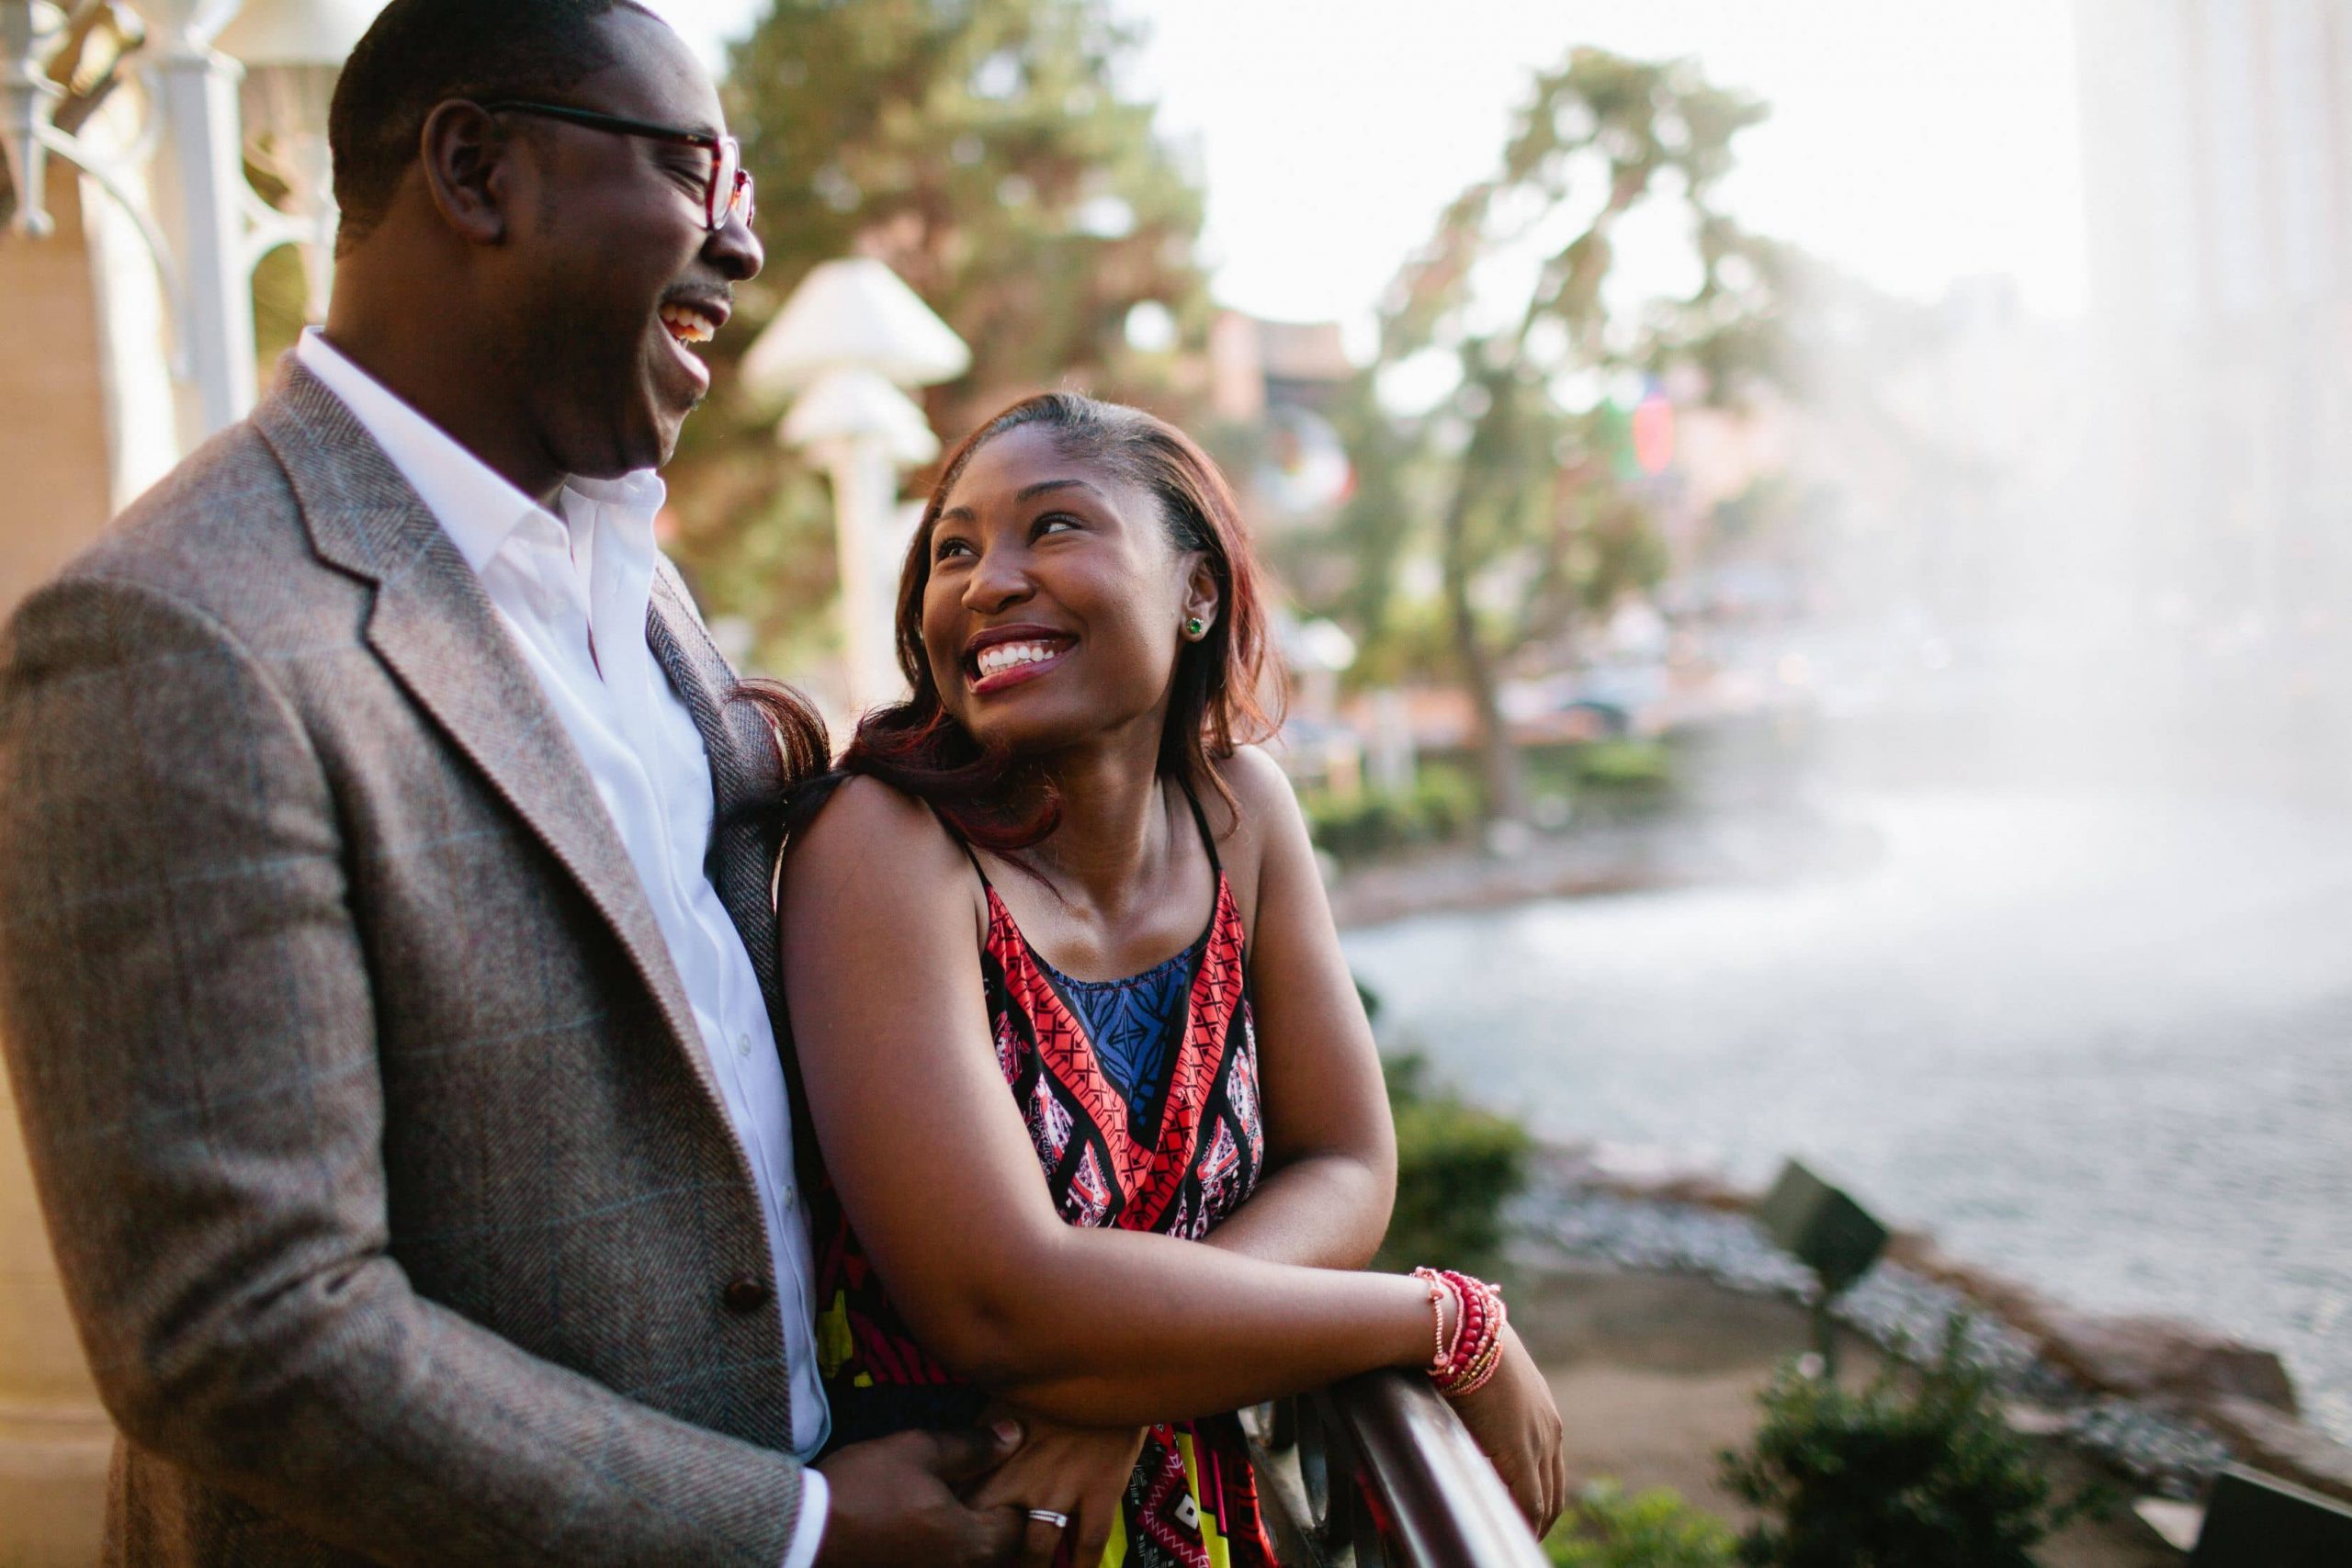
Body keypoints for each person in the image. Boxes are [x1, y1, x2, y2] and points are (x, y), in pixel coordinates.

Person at [0, 2, 1024, 1562]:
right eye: (698, 169)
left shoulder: (624, 572)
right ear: (476, 171)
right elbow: (243, 1334)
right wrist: (791, 1528)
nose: (742, 240)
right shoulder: (173, 636)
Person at [766, 392, 1570, 1567]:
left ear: (1199, 590)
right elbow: (1001, 1301)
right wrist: (1442, 1319)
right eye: (953, 549)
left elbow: (1347, 1163)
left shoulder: (1241, 810)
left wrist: (1124, 1385)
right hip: (969, 1529)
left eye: (1052, 528)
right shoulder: (884, 846)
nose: (988, 580)